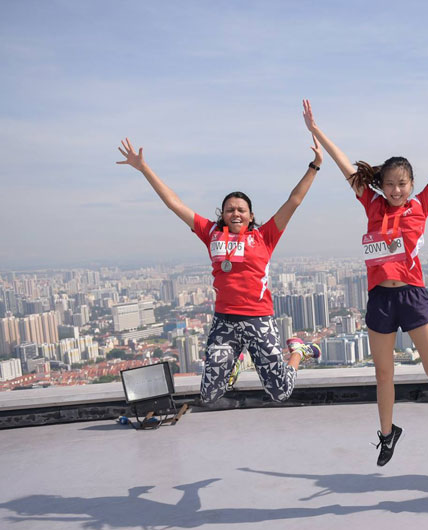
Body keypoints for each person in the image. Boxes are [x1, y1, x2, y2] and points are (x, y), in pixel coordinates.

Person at [302, 99, 428, 466]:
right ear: (380, 186)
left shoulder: (422, 204)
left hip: (412, 295)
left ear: (412, 184)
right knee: (384, 373)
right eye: (390, 185)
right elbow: (345, 166)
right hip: (380, 298)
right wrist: (316, 130)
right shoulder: (372, 205)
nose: (397, 190)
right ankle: (387, 435)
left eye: (403, 184)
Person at [115, 107, 324, 406]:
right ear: (222, 215)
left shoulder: (264, 236)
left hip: (258, 319)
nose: (235, 212)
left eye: (241, 209)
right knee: (209, 393)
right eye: (230, 209)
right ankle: (234, 364)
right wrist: (144, 169)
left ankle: (298, 351)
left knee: (281, 392)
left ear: (251, 215)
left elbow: (295, 200)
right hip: (225, 321)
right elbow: (174, 203)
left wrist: (314, 166)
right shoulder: (211, 233)